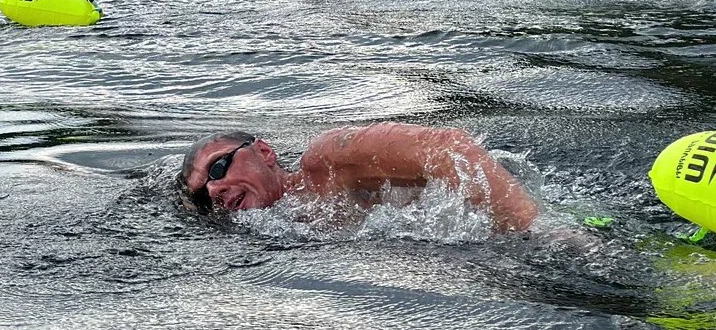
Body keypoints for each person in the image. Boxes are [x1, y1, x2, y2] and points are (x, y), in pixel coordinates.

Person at [178, 123, 538, 233]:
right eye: (203, 194)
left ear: (265, 153)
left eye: (218, 168)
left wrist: (533, 232)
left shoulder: (327, 163)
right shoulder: (272, 228)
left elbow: (447, 147)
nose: (214, 189)